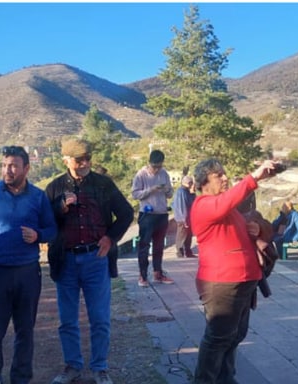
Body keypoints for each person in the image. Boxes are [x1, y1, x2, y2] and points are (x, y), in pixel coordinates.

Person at [45, 139, 134, 384]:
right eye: (78, 159)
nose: (84, 163)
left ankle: (100, 367)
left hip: (96, 258)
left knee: (100, 317)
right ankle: (72, 365)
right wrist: (60, 206)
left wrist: (111, 238)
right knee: (67, 319)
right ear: (65, 160)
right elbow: (43, 220)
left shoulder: (104, 184)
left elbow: (126, 213)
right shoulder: (54, 188)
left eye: (87, 158)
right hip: (66, 260)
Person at [0, 145, 57, 384]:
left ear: (26, 168)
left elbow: (52, 230)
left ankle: (21, 378)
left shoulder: (38, 197)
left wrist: (38, 235)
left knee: (25, 330)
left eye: (14, 165)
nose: (8, 170)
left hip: (27, 273)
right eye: (5, 165)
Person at [189, 158, 278, 383]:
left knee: (235, 335)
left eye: (224, 173)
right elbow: (229, 200)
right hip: (223, 283)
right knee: (218, 338)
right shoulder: (204, 205)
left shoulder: (227, 209)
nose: (225, 177)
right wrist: (254, 177)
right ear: (204, 182)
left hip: (243, 281)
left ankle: (225, 379)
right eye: (219, 175)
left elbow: (250, 228)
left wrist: (257, 229)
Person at [131, 149, 174, 287]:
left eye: (159, 166)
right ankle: (142, 276)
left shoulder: (164, 173)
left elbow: (170, 194)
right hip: (147, 214)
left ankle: (158, 273)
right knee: (144, 245)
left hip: (161, 214)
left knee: (159, 246)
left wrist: (167, 189)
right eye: (154, 166)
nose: (156, 170)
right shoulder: (141, 174)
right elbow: (135, 194)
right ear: (149, 163)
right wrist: (151, 190)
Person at [172, 175, 196, 258]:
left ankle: (188, 252)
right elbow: (182, 207)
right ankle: (180, 252)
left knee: (188, 236)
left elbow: (192, 203)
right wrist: (184, 219)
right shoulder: (181, 192)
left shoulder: (186, 192)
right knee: (182, 236)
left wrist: (193, 193)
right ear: (188, 183)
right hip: (183, 219)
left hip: (187, 218)